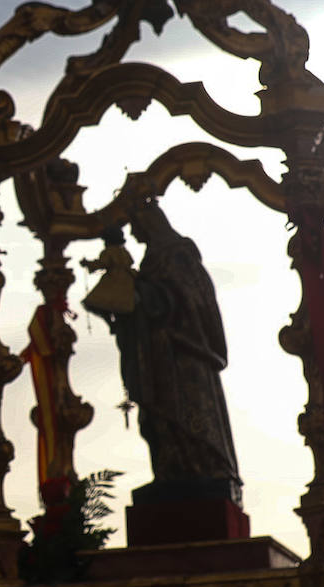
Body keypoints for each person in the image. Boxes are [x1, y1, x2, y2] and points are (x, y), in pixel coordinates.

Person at [85, 202, 242, 505]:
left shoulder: (176, 254)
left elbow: (188, 301)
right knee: (158, 419)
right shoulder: (153, 260)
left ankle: (203, 470)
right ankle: (171, 470)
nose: (132, 231)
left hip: (185, 355)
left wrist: (143, 296)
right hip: (157, 355)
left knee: (190, 416)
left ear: (149, 223)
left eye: (136, 225)